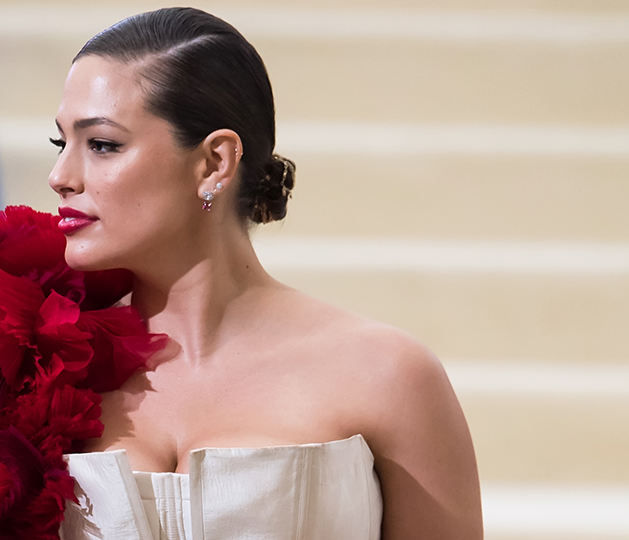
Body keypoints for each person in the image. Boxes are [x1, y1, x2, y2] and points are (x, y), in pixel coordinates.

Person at [47, 7, 482, 540]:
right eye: (60, 142)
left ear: (214, 163)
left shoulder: (387, 373)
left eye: (102, 144)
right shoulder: (35, 371)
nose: (60, 176)